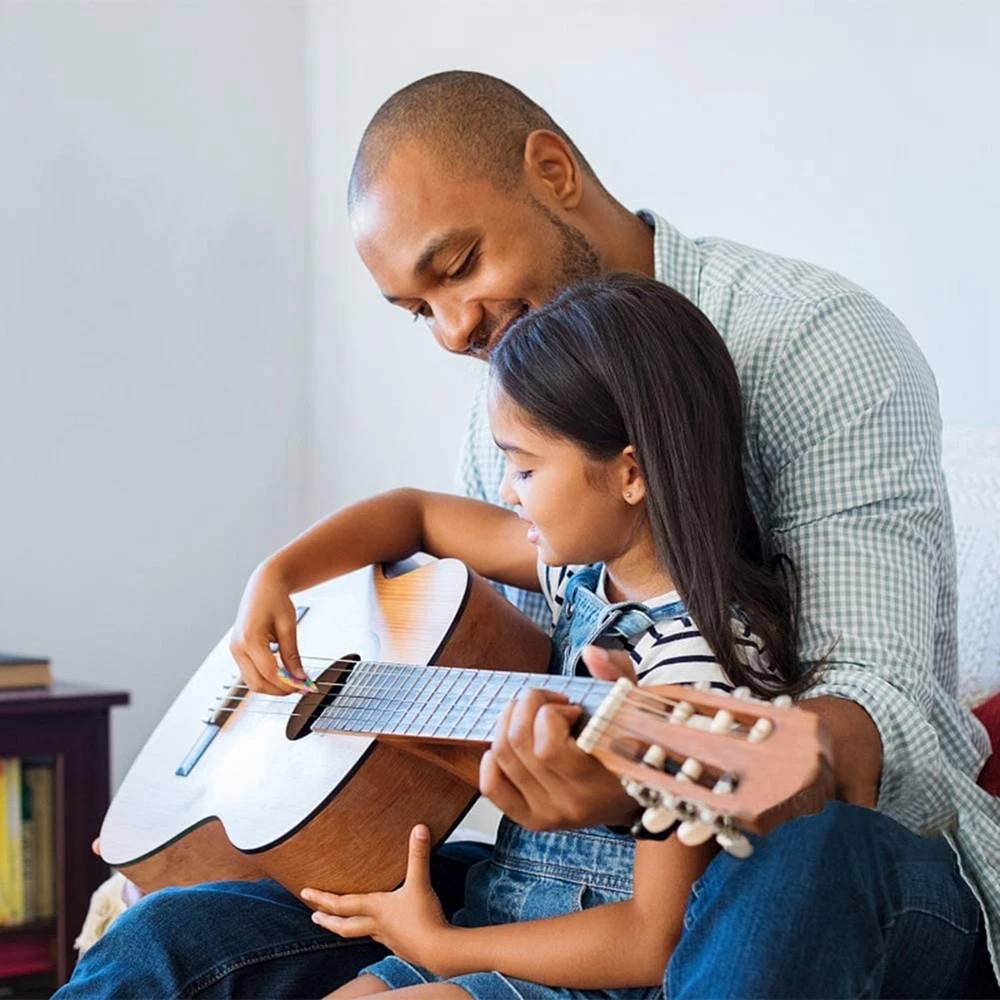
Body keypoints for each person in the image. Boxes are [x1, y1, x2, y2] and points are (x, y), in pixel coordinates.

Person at [57, 71, 998, 999]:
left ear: (553, 171)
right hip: (544, 889)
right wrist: (226, 804)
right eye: (418, 311)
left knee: (799, 860)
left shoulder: (811, 338)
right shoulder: (512, 409)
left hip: (829, 867)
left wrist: (637, 782)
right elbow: (495, 687)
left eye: (459, 265)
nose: (453, 331)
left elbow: (868, 714)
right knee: (167, 942)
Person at [239, 273, 812, 1000]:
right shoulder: (582, 575)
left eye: (525, 467)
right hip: (497, 931)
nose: (506, 492)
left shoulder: (691, 664)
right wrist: (277, 575)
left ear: (630, 474)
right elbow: (414, 514)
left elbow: (652, 940)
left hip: (585, 979)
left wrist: (440, 946)